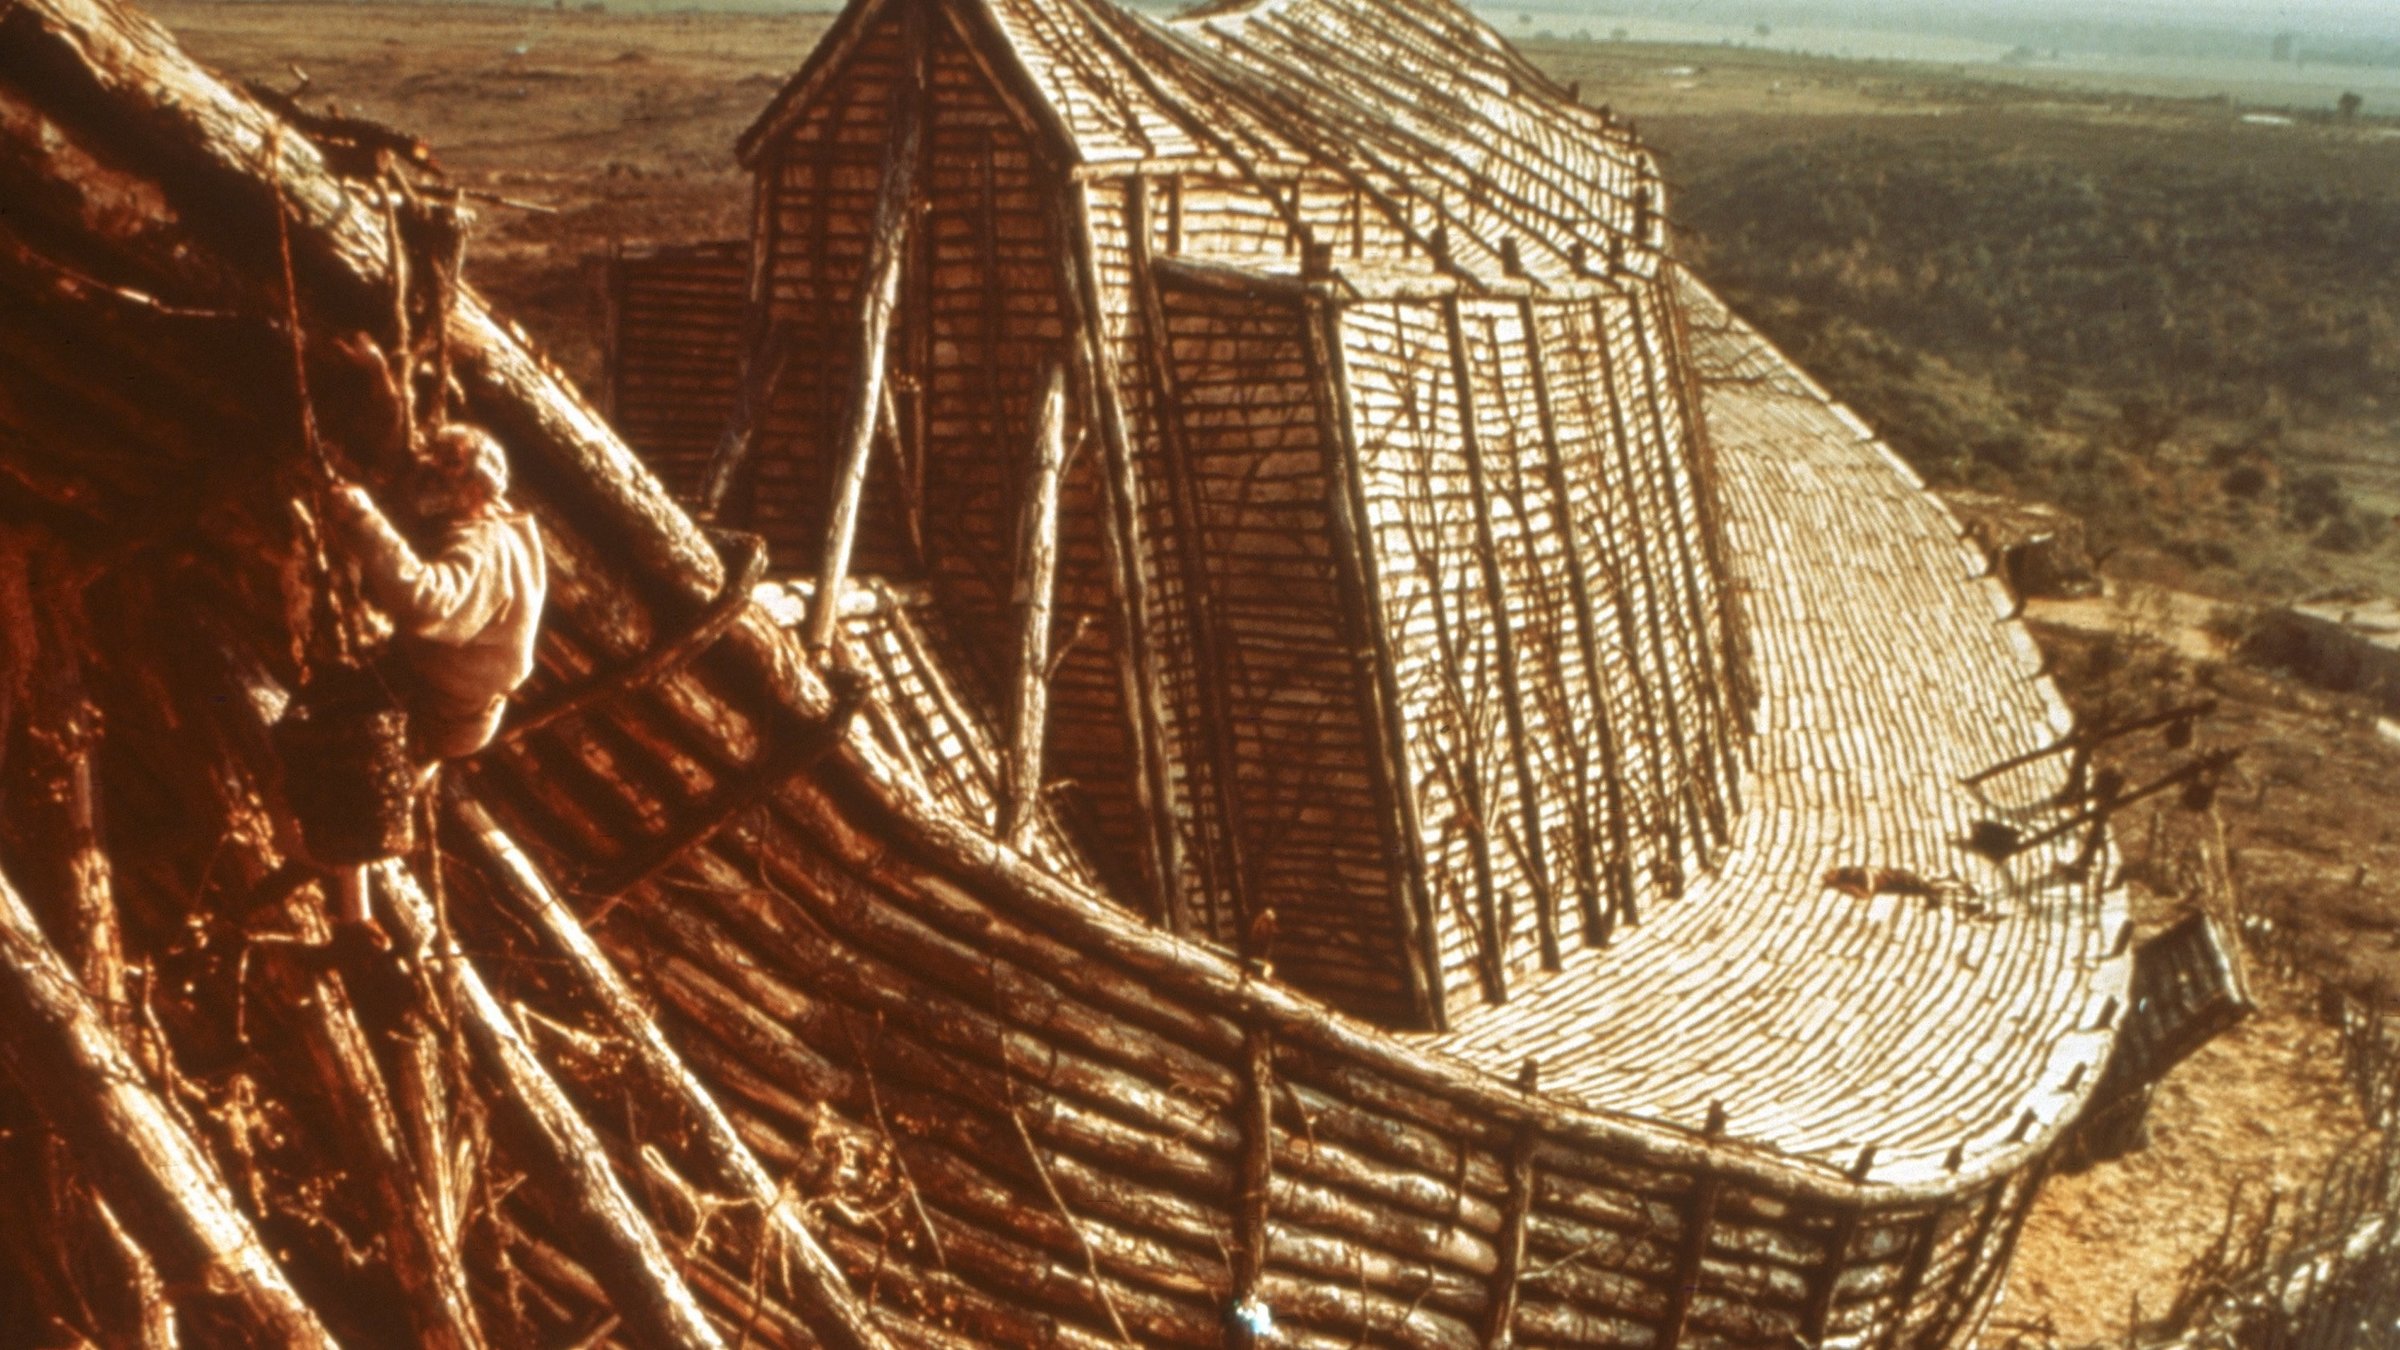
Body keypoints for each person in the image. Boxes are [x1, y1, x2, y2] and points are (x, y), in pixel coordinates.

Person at [321, 421, 547, 945]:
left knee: (360, 787)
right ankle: (356, 915)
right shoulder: (475, 522)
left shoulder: (482, 544)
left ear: (477, 489)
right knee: (361, 788)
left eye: (449, 464)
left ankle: (365, 925)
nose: (428, 468)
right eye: (433, 455)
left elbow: (430, 603)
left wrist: (363, 521)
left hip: (444, 712)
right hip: (437, 695)